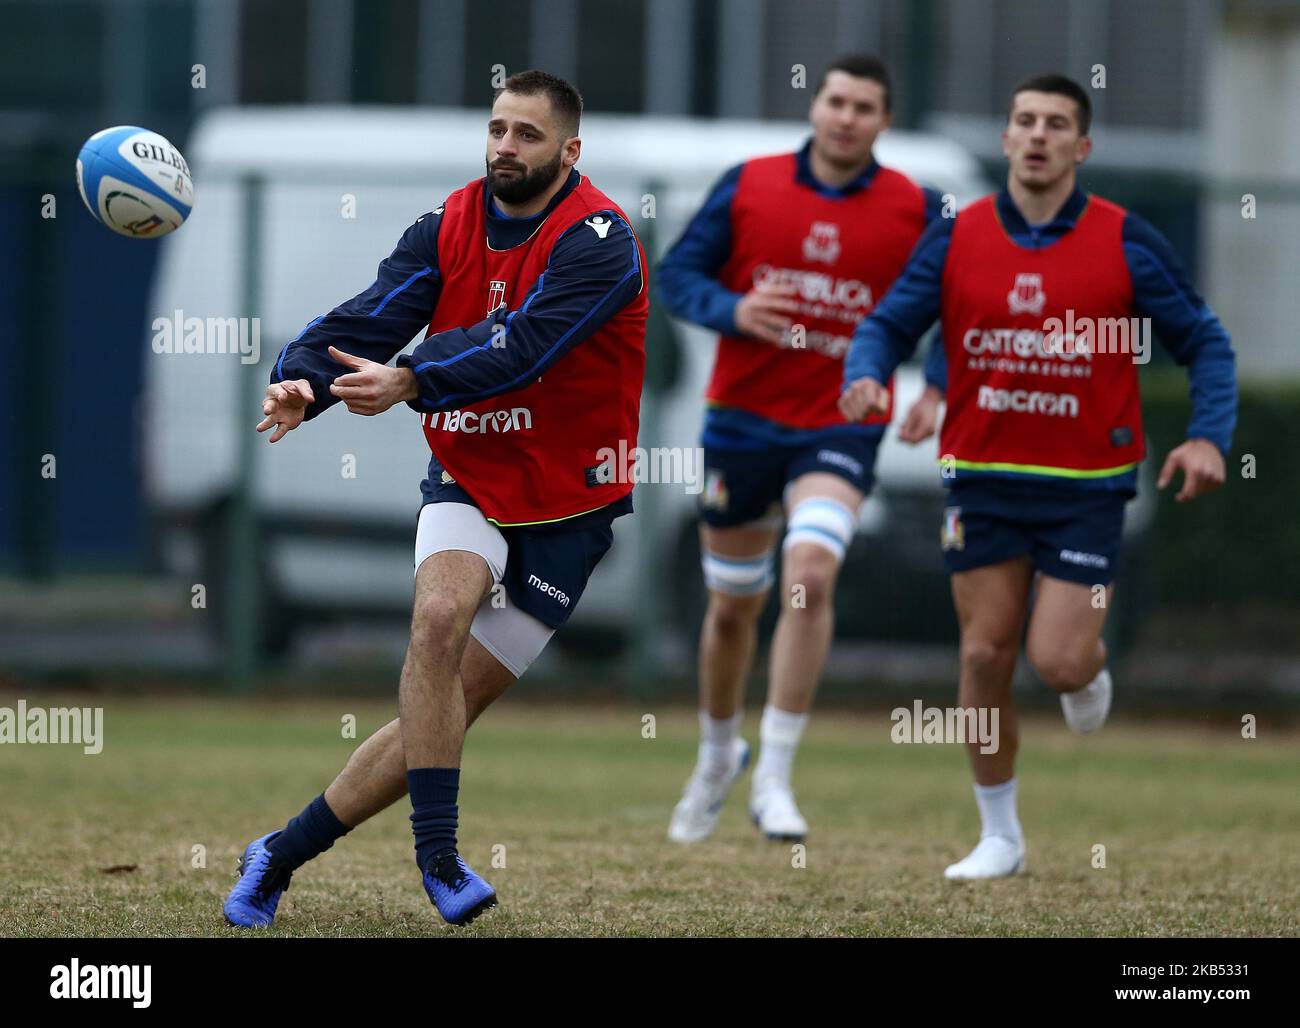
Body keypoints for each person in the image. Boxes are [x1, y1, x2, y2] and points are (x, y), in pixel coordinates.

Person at [222, 69, 647, 926]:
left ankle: (280, 851)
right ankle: (441, 859)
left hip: (572, 504)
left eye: (526, 135)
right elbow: (376, 311)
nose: (504, 147)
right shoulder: (447, 223)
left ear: (570, 151)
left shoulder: (601, 238)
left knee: (447, 712)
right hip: (474, 473)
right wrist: (297, 380)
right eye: (496, 129)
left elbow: (524, 344)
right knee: (437, 619)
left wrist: (415, 378)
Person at [841, 73, 1236, 879]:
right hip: (981, 478)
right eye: (1024, 120)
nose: (1037, 135)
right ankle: (1000, 836)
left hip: (1088, 485)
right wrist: (872, 371)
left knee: (1056, 660)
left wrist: (1208, 438)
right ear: (1007, 138)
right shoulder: (959, 233)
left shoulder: (1127, 239)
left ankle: (1087, 673)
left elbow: (1207, 342)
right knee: (985, 656)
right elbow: (889, 320)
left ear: (1080, 147)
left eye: (1056, 124)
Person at [657, 54, 946, 843]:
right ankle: (719, 755)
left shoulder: (915, 208)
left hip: (842, 422)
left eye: (866, 107)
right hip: (742, 424)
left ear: (885, 122)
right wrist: (732, 306)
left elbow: (962, 305)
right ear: (814, 107)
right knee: (730, 609)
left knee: (811, 576)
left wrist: (935, 386)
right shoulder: (748, 184)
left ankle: (776, 777)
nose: (847, 117)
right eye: (836, 101)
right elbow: (675, 274)